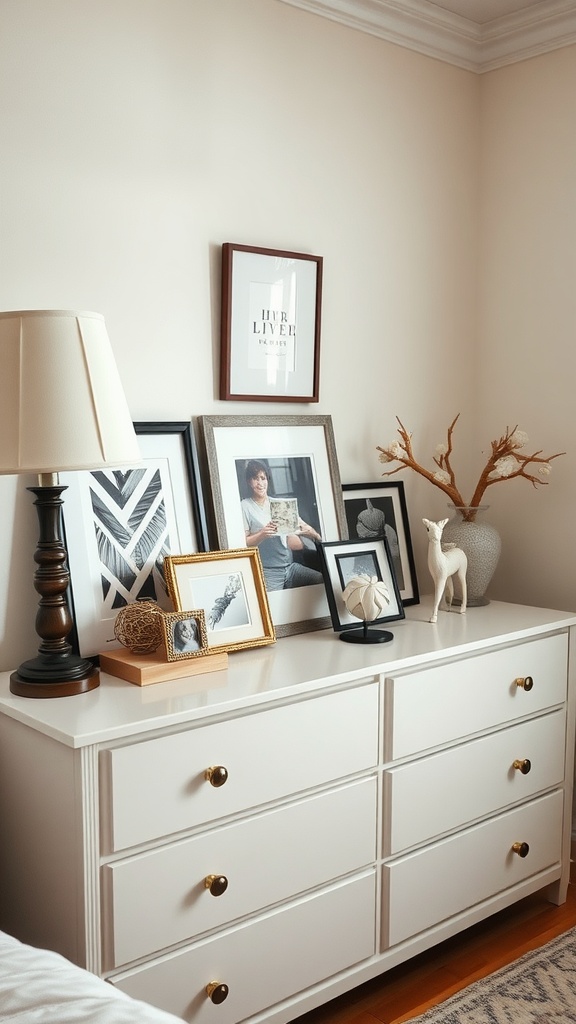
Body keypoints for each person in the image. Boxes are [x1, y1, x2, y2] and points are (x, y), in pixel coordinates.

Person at [241, 459, 324, 591]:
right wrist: (262, 534)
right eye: (255, 478)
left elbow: (304, 527)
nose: (260, 483)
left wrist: (314, 534)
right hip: (268, 570)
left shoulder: (279, 504)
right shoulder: (245, 506)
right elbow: (243, 544)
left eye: (263, 478)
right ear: (249, 481)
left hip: (290, 566)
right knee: (271, 606)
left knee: (322, 580)